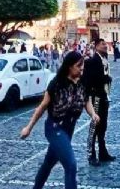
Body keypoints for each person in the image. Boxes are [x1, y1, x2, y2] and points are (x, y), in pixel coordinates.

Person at [21, 51, 100, 189]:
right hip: (54, 128)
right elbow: (42, 107)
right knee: (71, 164)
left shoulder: (83, 81)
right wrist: (28, 128)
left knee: (48, 162)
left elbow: (86, 100)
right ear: (69, 66)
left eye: (82, 65)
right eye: (78, 65)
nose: (82, 68)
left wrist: (93, 114)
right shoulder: (57, 83)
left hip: (69, 129)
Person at [83, 38, 115, 165]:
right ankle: (91, 154)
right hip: (96, 96)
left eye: (106, 44)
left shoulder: (104, 60)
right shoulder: (92, 61)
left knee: (103, 126)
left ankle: (103, 152)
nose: (105, 46)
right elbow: (88, 80)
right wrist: (106, 78)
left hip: (104, 96)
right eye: (102, 44)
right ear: (96, 46)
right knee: (94, 126)